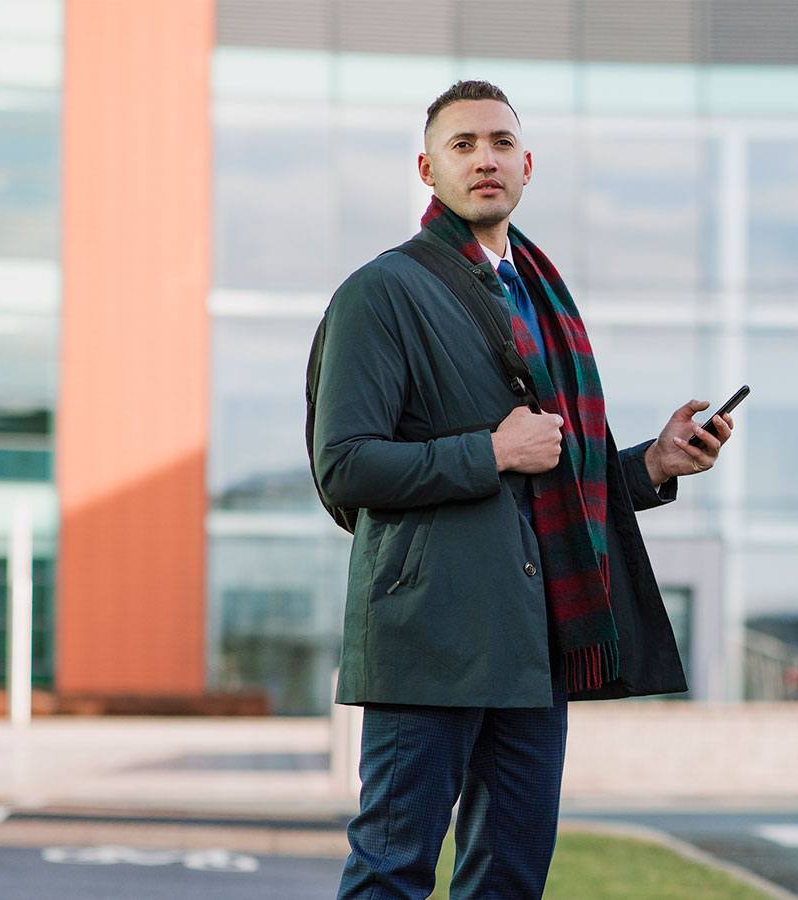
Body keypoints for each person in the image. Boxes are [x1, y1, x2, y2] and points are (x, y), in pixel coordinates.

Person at [312, 80, 734, 899]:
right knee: (393, 875)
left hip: (535, 646)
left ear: (528, 165)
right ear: (427, 169)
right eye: (462, 144)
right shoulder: (383, 292)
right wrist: (490, 450)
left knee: (509, 880)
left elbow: (556, 477)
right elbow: (345, 467)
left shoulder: (542, 300)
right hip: (429, 638)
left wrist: (651, 465)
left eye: (501, 143)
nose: (485, 159)